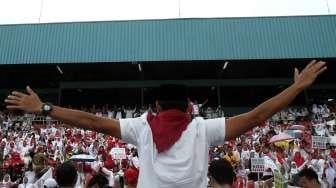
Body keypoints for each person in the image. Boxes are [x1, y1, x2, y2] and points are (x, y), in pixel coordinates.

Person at [4, 60, 327, 188]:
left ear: (155, 106)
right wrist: (296, 88)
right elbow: (257, 116)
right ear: (189, 107)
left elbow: (90, 121)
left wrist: (43, 107)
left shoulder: (142, 127)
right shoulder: (203, 128)